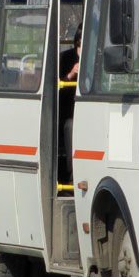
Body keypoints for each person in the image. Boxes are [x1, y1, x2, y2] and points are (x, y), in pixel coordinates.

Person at [58, 24, 81, 182]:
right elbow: (58, 92)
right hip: (68, 113)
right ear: (79, 39)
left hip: (90, 112)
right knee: (71, 127)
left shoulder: (95, 58)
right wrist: (71, 74)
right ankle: (72, 178)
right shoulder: (65, 58)